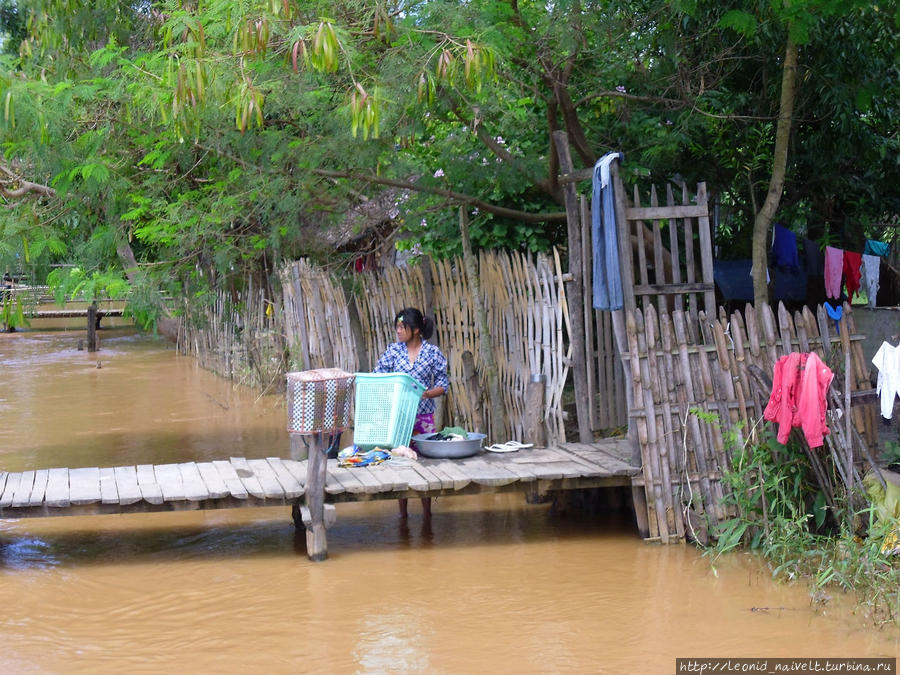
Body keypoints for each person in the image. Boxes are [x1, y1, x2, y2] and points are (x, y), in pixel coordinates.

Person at [374, 307, 449, 519]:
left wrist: (425, 394)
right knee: (401, 462)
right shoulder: (393, 351)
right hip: (399, 419)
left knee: (423, 463)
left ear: (416, 330)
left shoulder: (432, 353)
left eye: (402, 327)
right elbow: (378, 375)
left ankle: (427, 513)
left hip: (424, 419)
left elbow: (444, 384)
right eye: (396, 327)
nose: (398, 331)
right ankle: (403, 515)